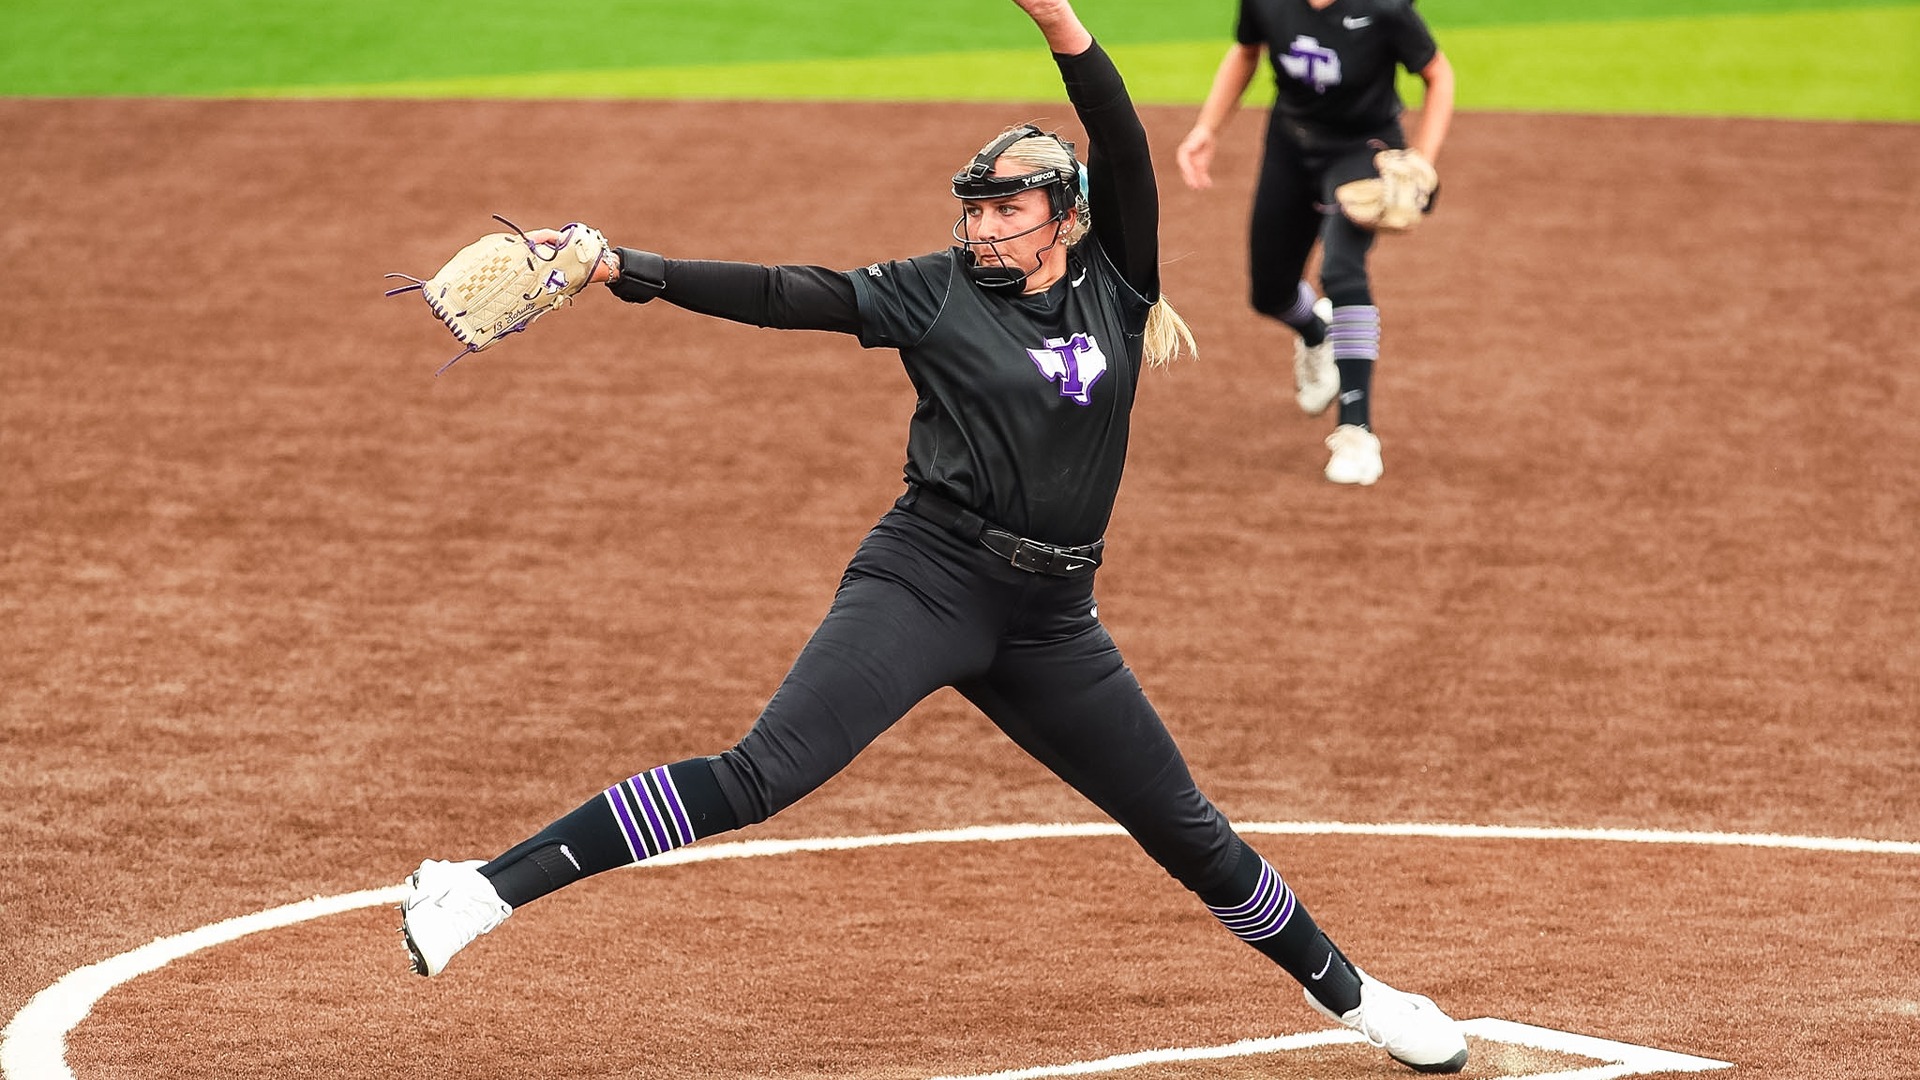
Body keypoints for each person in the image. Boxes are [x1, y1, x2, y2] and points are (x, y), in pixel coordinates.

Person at [398, 0, 1467, 1071]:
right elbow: (787, 294)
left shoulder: (1116, 281)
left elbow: (1122, 137)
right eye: (976, 211)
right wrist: (623, 267)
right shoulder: (934, 292)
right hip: (928, 580)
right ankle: (479, 890)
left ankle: (1364, 999)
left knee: (1186, 830)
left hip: (1053, 621)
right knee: (764, 773)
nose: (986, 227)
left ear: (1065, 215)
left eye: (1008, 209)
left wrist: (1059, 20)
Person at [1175, 0, 1455, 486]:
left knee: (1341, 271)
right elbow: (1246, 52)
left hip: (1363, 149)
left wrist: (1422, 163)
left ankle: (1357, 431)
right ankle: (1315, 331)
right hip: (1290, 144)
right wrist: (1207, 129)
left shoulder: (1384, 8)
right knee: (1270, 293)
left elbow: (1438, 74)